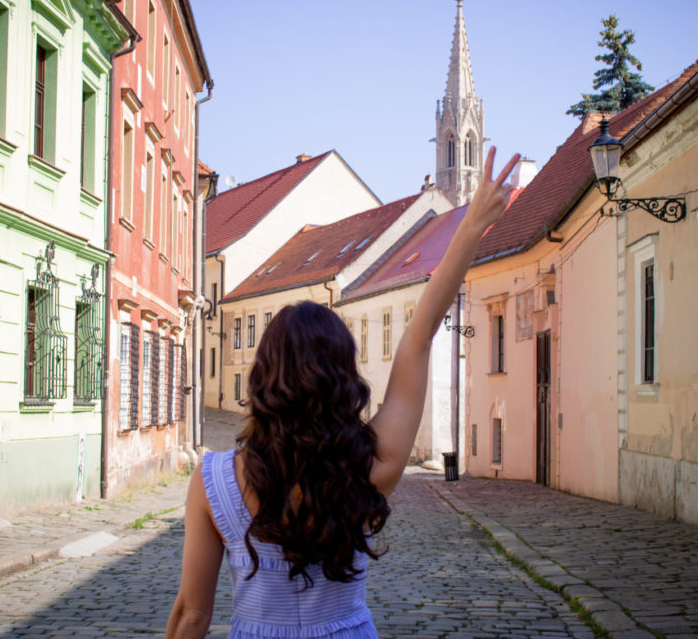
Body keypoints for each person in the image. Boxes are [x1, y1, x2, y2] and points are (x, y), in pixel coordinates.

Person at [166, 148, 520, 639]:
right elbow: (418, 338)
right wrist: (472, 224)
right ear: (343, 379)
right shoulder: (373, 466)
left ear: (263, 379)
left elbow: (192, 615)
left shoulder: (213, 482)